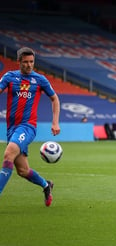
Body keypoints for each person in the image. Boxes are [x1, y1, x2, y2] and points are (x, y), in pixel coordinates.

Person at [0, 47, 60, 206]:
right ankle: (46, 185)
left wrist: (55, 122)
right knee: (23, 171)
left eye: (31, 62)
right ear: (18, 61)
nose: (29, 65)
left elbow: (55, 99)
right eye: (25, 62)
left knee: (8, 154)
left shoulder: (40, 80)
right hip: (12, 129)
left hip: (27, 127)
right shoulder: (10, 77)